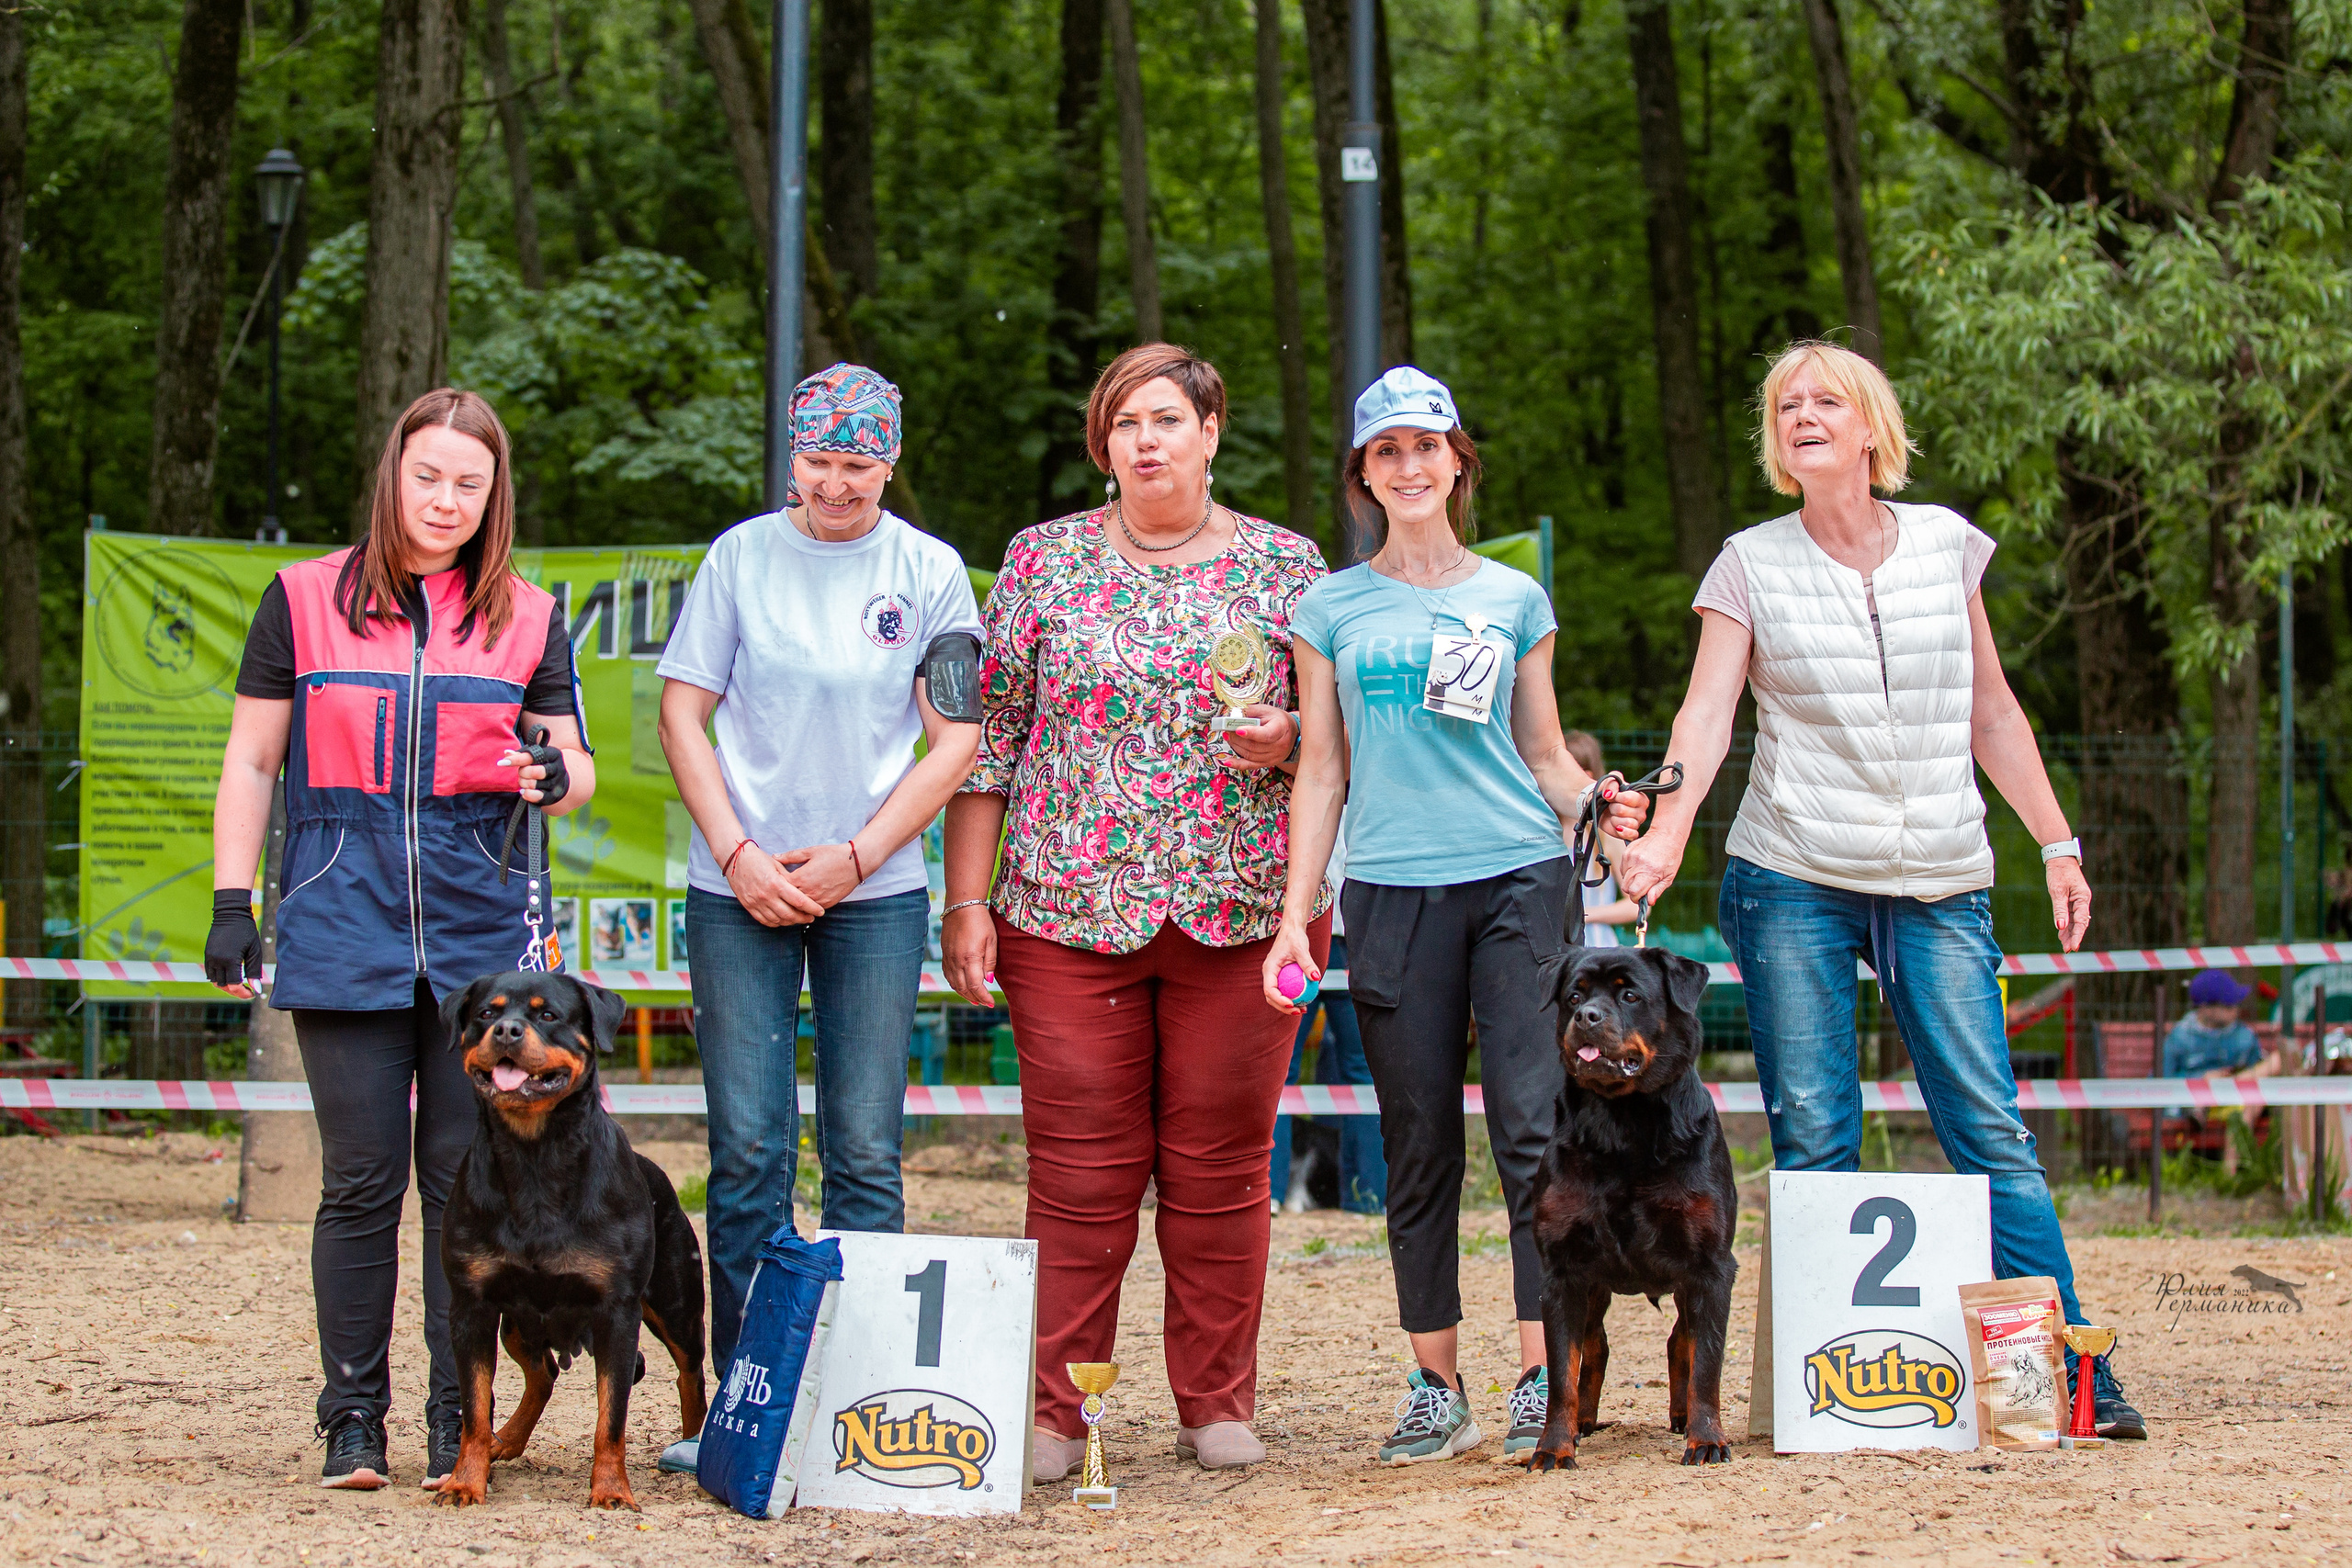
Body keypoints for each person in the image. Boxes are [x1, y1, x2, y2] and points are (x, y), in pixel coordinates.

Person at [1613, 339, 2145, 1440]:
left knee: (1988, 1132)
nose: (1803, 415)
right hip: (1794, 873)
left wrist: (2056, 842)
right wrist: (1664, 838)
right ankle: (1839, 1399)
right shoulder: (1746, 562)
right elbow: (1704, 719)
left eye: (1826, 401)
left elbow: (1990, 711)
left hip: (1943, 876)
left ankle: (2069, 1383)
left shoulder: (1948, 544)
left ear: (1868, 427)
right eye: (1784, 404)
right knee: (1815, 1137)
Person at [940, 343, 1327, 1478]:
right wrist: (968, 901)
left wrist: (1288, 735)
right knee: (1078, 1171)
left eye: (1166, 419)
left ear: (1211, 431)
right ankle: (1058, 1413)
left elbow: (1331, 741)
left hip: (1246, 913)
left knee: (1219, 1170)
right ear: (1102, 446)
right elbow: (989, 747)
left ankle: (1215, 1403)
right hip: (1060, 912)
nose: (1145, 441)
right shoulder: (1040, 559)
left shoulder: (1287, 565)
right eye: (1123, 425)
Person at [205, 389, 595, 1491]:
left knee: (458, 1185)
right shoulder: (300, 601)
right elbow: (251, 760)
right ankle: (352, 1421)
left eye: (469, 485)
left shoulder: (528, 612)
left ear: (493, 496)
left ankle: (448, 1420)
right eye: (428, 477)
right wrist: (234, 903)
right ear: (394, 476)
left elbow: (575, 766)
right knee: (361, 1182)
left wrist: (556, 775)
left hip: (479, 950)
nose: (446, 501)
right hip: (342, 921)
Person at [1261, 367, 1645, 1467]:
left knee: (1534, 1132)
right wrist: (1299, 915)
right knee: (1417, 1142)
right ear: (1363, 476)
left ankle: (1542, 1377)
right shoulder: (1325, 608)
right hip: (1387, 891)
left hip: (1524, 882)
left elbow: (1541, 754)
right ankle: (1437, 1389)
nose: (1410, 465)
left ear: (1458, 463)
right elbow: (1320, 769)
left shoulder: (1514, 598)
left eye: (1428, 446)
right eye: (1387, 451)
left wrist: (1607, 818)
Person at [656, 363, 983, 1390]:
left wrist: (858, 855)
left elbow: (955, 741)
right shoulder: (739, 556)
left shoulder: (931, 570)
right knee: (748, 1150)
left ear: (890, 462)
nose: (836, 485)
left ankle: (855, 1397)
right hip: (739, 890)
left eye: (858, 464)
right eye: (817, 461)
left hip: (872, 897)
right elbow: (681, 713)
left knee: (863, 1151)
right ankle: (746, 1395)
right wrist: (738, 856)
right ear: (789, 458)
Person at [1268, 816, 1385, 1214]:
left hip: (1312, 933)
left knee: (1285, 1072)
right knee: (1361, 1074)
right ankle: (1367, 1196)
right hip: (1333, 933)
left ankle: (1271, 1193)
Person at [1563, 729, 1640, 947]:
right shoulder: (1544, 831)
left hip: (1598, 949)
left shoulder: (1608, 836)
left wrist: (1584, 915)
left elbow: (1636, 904)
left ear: (1587, 776)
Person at [2163, 970, 2272, 1079]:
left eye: (2237, 1004)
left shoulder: (2245, 1036)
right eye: (2229, 1005)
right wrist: (2200, 1078)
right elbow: (2162, 1078)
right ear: (2206, 1008)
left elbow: (2256, 1071)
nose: (2236, 1010)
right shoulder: (2180, 1037)